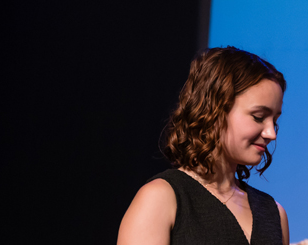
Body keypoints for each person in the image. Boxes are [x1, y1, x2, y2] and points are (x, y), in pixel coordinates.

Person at [117, 47, 290, 245]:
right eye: (258, 117)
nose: (271, 134)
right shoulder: (162, 199)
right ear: (214, 110)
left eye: (274, 121)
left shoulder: (273, 213)